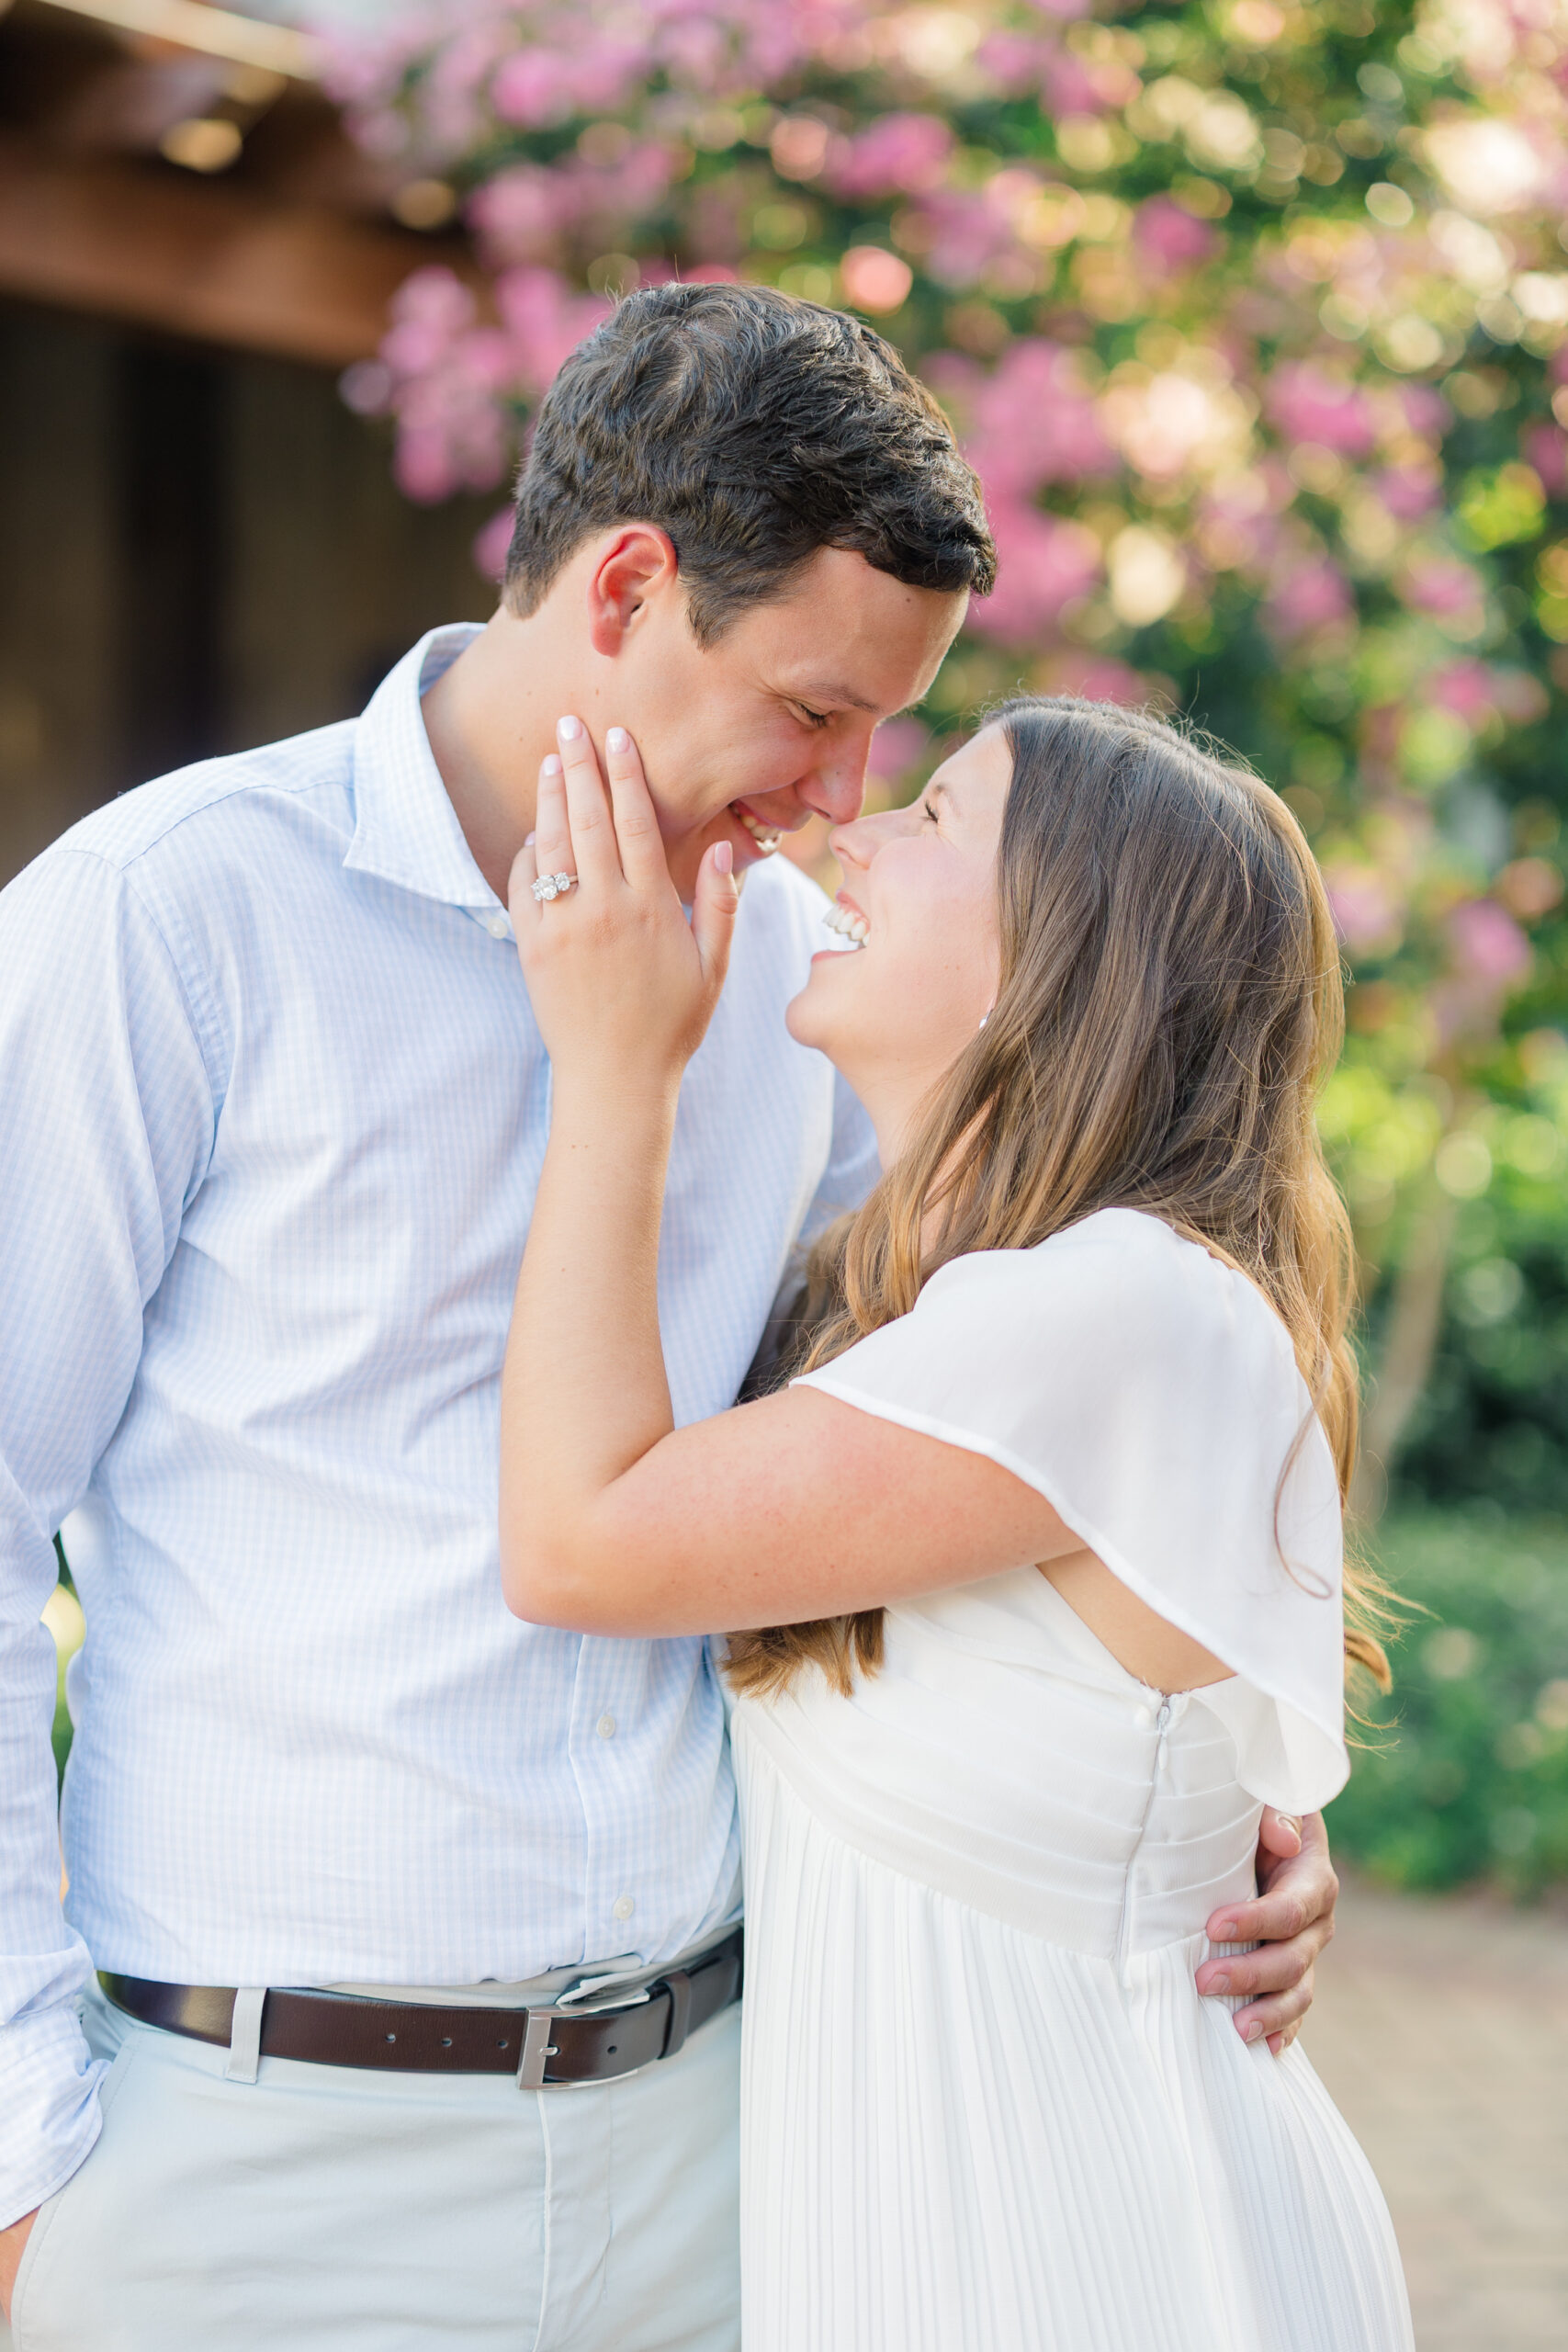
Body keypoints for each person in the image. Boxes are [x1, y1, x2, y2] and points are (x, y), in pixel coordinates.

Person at [0, 286, 1337, 2351]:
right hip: (254, 2156)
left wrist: (1202, 1807)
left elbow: (970, 1457)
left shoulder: (801, 987)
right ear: (628, 585)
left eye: (889, 736)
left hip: (731, 2159)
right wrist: (21, 2160)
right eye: (814, 709)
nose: (834, 793)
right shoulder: (172, 919)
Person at [496, 694, 1414, 2350]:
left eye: (935, 819)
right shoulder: (925, 1315)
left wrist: (613, 1063)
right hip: (931, 2221)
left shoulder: (1126, 1307)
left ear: (1063, 953)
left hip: (1090, 2243)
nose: (858, 830)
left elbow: (578, 1546)